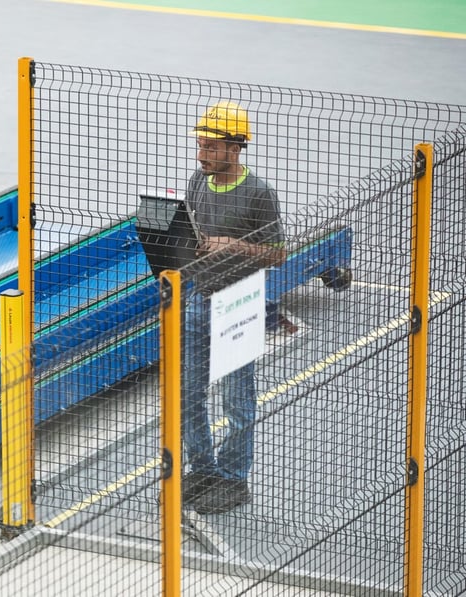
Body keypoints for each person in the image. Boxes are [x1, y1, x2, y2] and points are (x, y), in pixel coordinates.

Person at [180, 101, 286, 515]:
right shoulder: (197, 181)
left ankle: (233, 478)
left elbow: (277, 255)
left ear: (235, 148)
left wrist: (234, 245)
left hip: (238, 305)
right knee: (189, 395)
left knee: (237, 401)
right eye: (200, 145)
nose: (201, 154)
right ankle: (203, 469)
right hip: (198, 298)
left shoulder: (259, 193)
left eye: (210, 147)